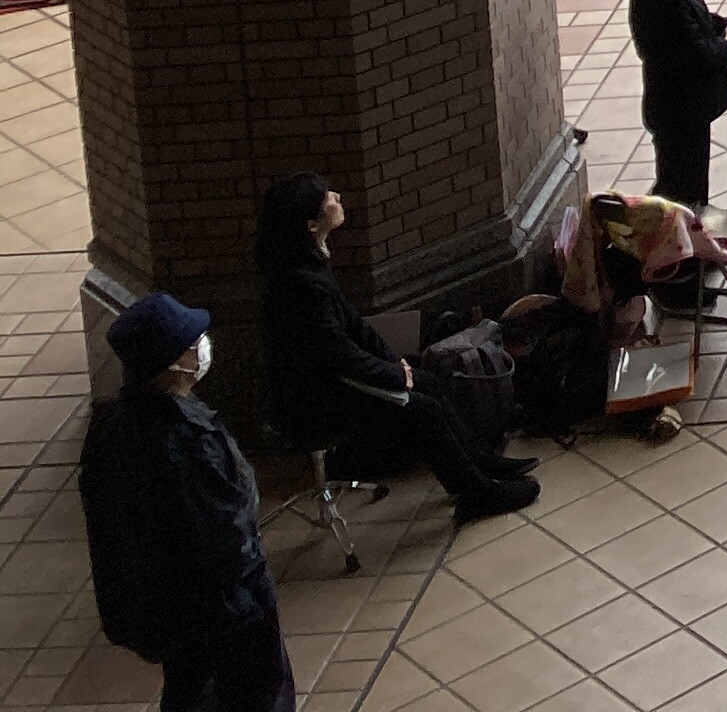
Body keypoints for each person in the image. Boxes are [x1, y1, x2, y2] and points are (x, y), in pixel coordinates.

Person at [254, 174, 537, 521]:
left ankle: (483, 463)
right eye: (327, 197)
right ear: (311, 224)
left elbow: (355, 326)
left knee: (428, 381)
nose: (337, 195)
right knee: (423, 410)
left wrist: (398, 364)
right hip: (317, 399)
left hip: (339, 379)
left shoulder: (310, 263)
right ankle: (475, 492)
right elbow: (339, 354)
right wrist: (395, 376)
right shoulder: (301, 285)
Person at [83, 290, 297, 712]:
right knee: (259, 696)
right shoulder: (188, 443)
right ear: (173, 361)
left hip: (166, 609)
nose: (203, 345)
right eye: (193, 340)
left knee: (189, 691)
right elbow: (228, 543)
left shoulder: (111, 428)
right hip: (229, 610)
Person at [618, 0, 727, 209]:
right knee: (680, 190)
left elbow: (696, 19)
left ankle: (689, 242)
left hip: (686, 106)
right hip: (679, 107)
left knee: (691, 183)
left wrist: (725, 24)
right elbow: (699, 52)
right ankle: (671, 246)